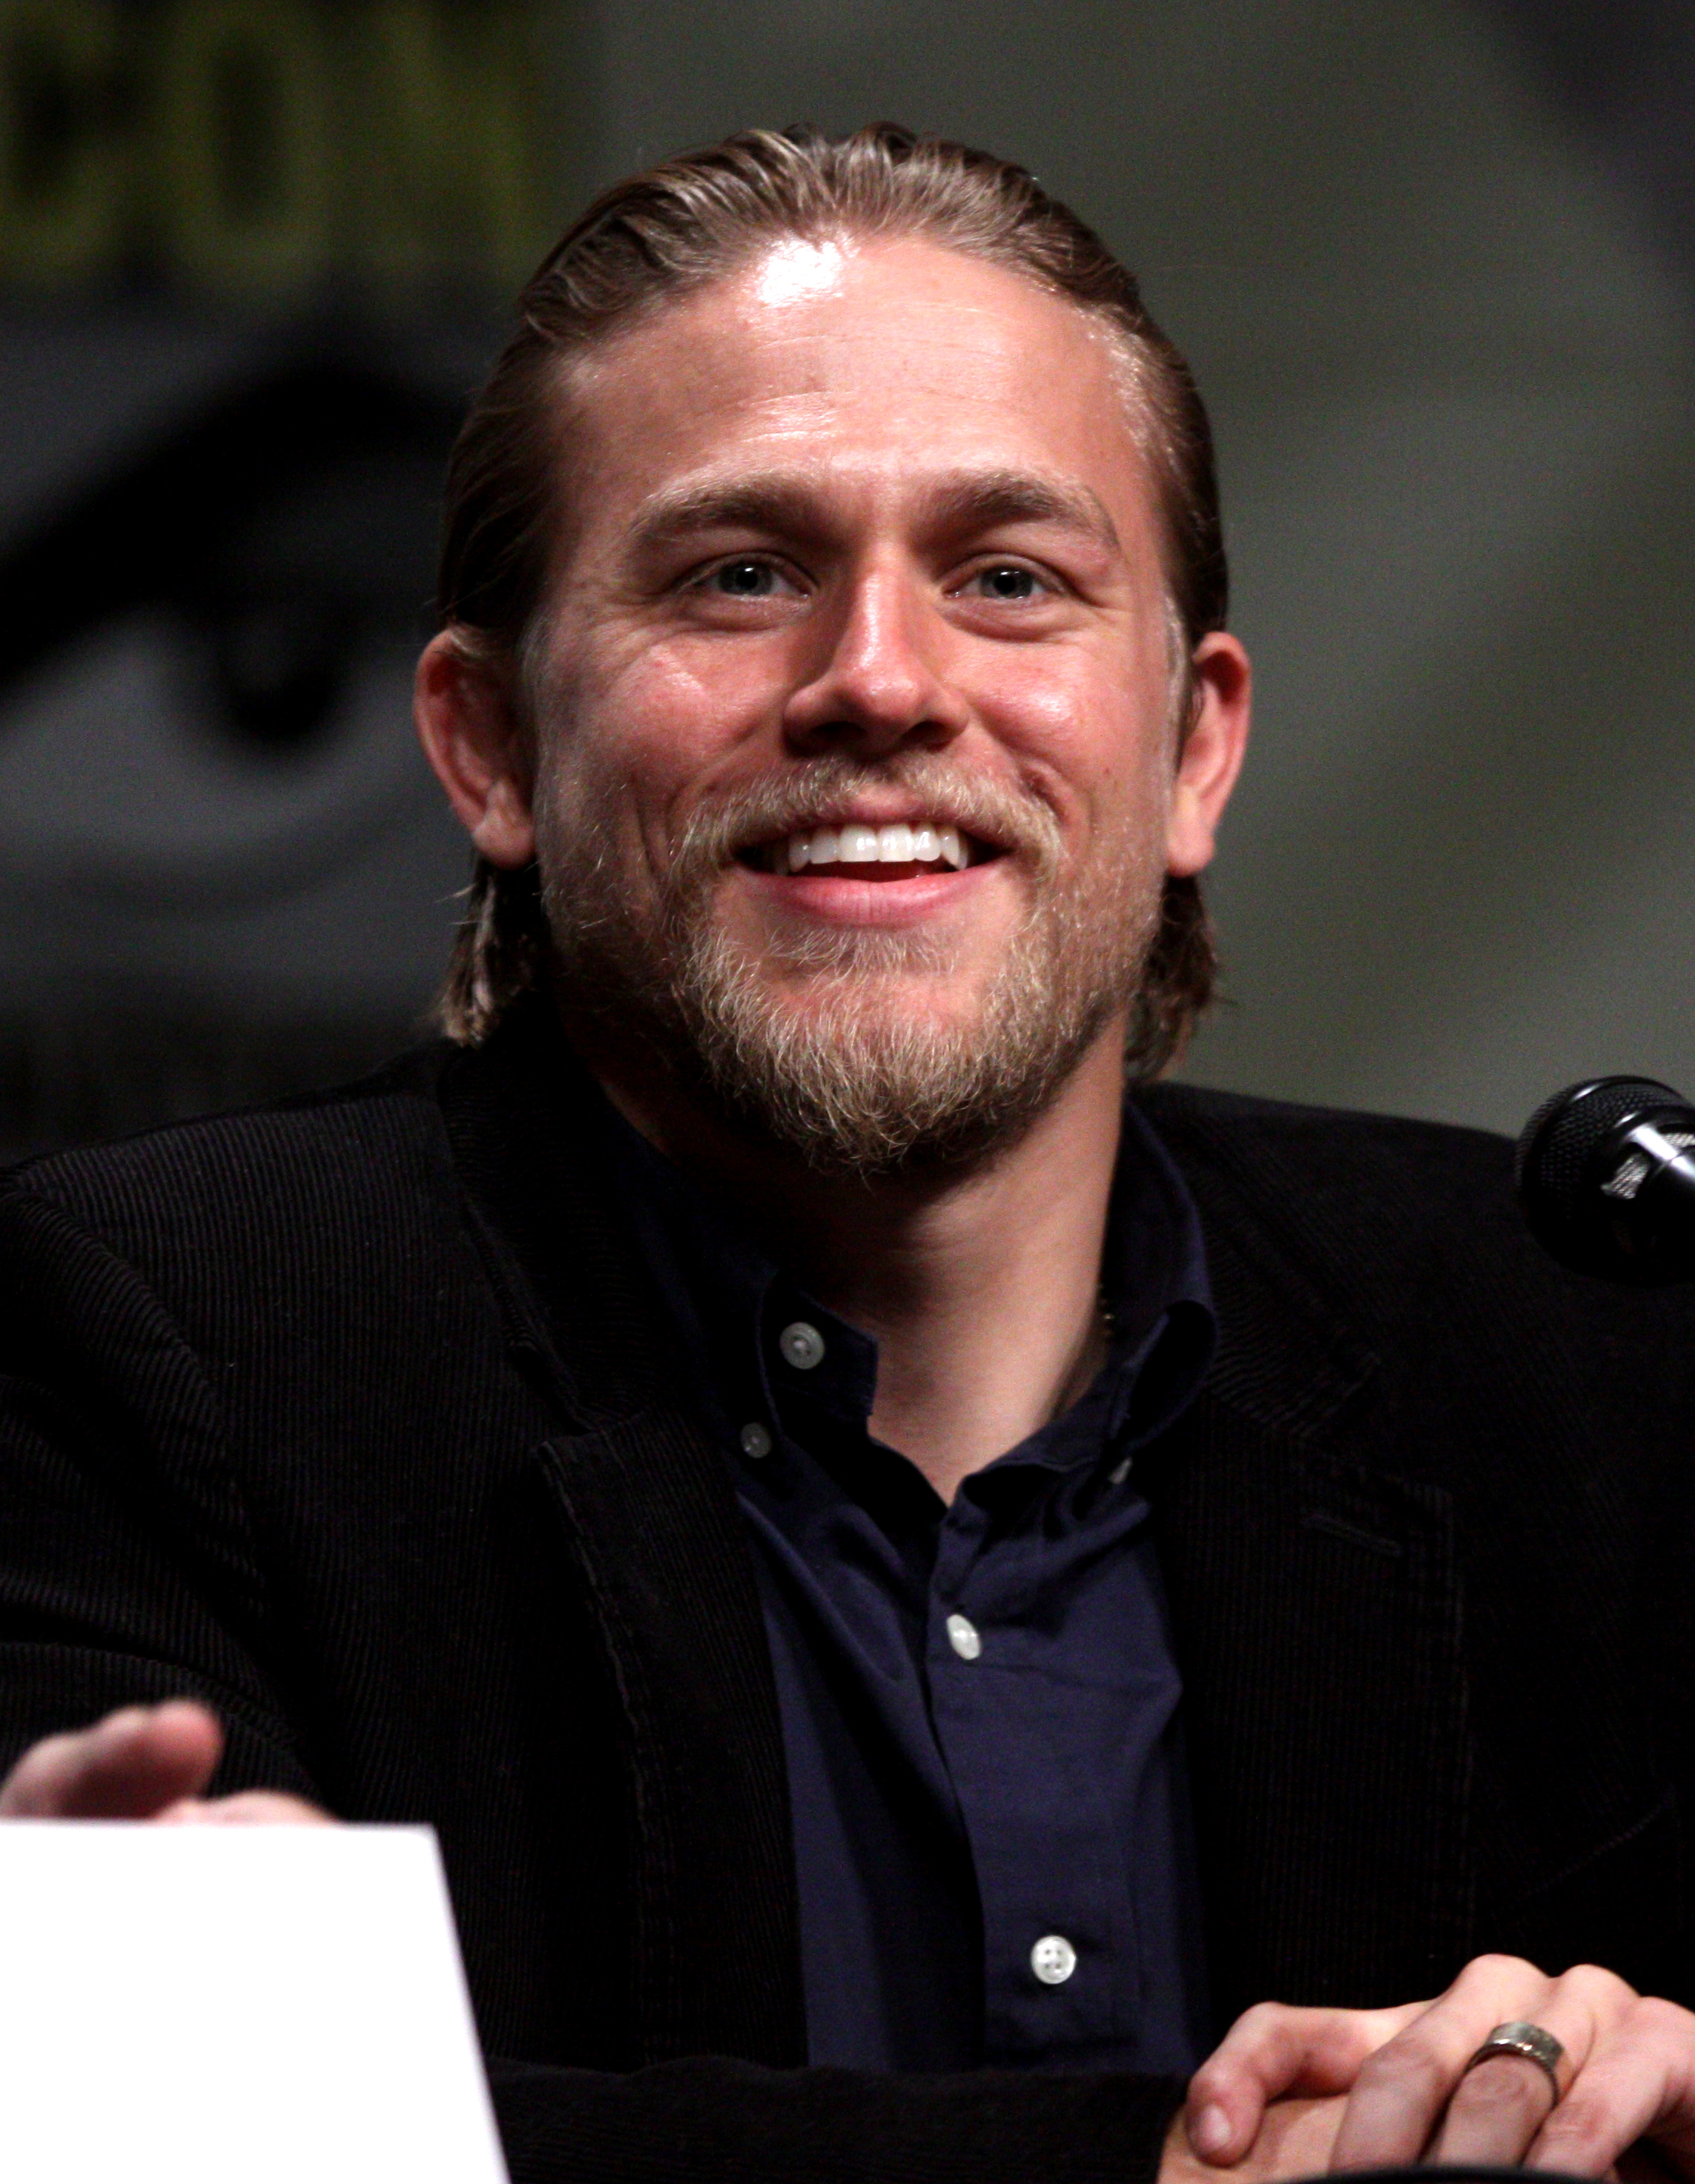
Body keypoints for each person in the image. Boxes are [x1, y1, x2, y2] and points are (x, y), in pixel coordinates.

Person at [2, 124, 1694, 2184]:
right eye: (739, 575)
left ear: (1196, 747)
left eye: (1010, 578)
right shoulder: (138, 1350)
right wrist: (1211, 2170)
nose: (882, 681)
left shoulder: (1585, 1355)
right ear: (489, 745)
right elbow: (182, 2140)